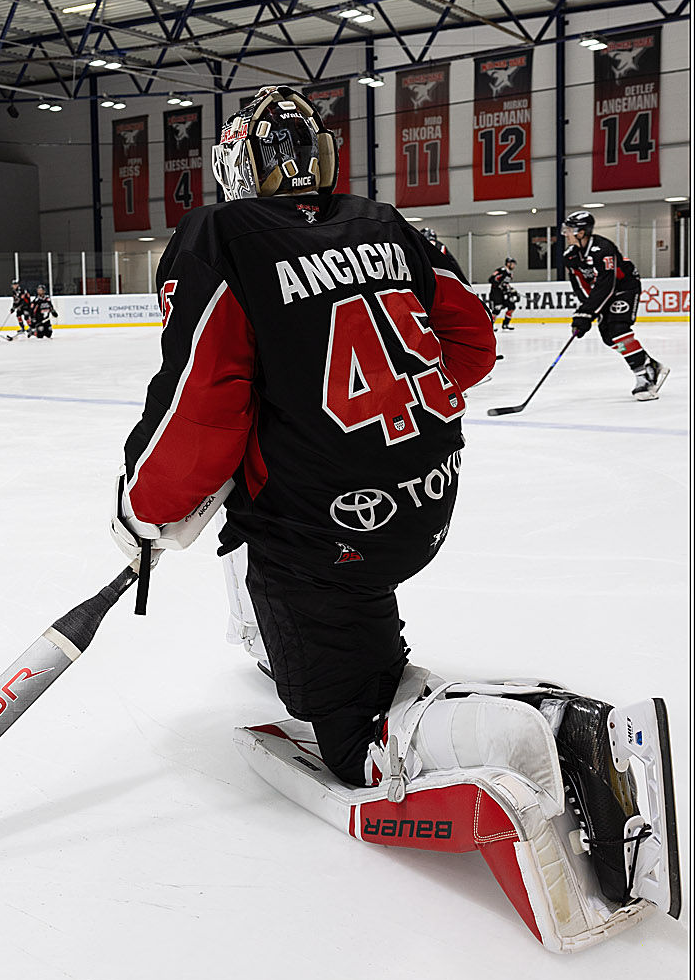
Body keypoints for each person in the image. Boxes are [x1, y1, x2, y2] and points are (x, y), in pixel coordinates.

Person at [111, 85, 496, 787]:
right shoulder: (387, 222)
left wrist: (142, 507)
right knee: (333, 593)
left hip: (322, 533)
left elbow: (199, 406)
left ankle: (503, 737)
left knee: (342, 730)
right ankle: (352, 658)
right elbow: (471, 347)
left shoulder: (222, 236)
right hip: (422, 504)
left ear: (236, 166)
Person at [561, 210, 669, 399]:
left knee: (619, 329)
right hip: (605, 292)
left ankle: (644, 377)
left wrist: (587, 311)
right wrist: (586, 313)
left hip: (625, 286)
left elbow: (607, 283)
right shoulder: (570, 256)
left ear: (581, 232)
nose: (566, 233)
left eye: (570, 230)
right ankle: (647, 363)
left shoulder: (603, 248)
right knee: (609, 338)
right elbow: (580, 285)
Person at [487, 257, 519, 330]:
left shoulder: (510, 274)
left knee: (511, 307)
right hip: (496, 293)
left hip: (504, 293)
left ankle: (505, 324)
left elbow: (506, 284)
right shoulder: (501, 271)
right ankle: (490, 326)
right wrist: (499, 285)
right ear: (508, 264)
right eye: (513, 264)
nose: (514, 266)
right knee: (497, 308)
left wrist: (511, 289)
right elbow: (491, 279)